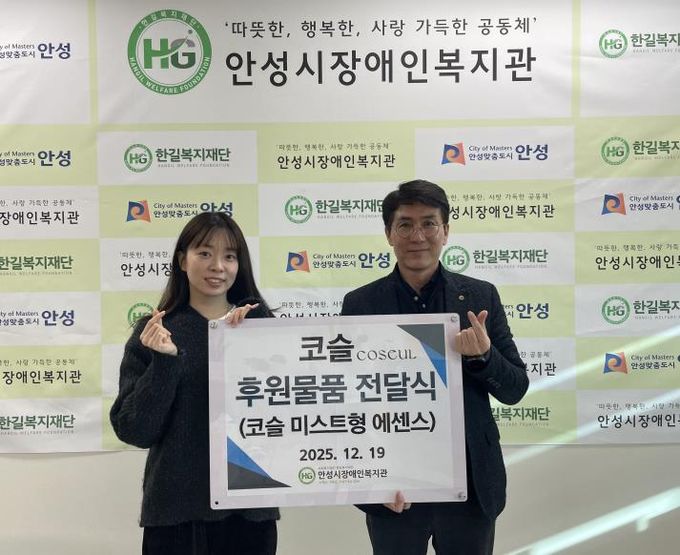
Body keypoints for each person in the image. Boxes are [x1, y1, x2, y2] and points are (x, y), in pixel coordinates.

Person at [341, 180, 529, 554]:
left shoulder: (480, 296)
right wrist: (371, 482)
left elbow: (515, 389)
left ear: (445, 231)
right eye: (405, 225)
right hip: (394, 485)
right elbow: (345, 399)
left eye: (429, 223)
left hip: (469, 485)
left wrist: (484, 357)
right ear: (389, 234)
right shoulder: (361, 304)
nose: (418, 236)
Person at [110, 212, 279, 555]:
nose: (218, 266)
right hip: (176, 513)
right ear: (182, 261)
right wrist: (165, 361)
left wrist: (253, 346)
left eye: (229, 256)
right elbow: (134, 430)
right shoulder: (155, 331)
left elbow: (288, 417)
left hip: (248, 511)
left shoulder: (262, 327)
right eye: (204, 253)